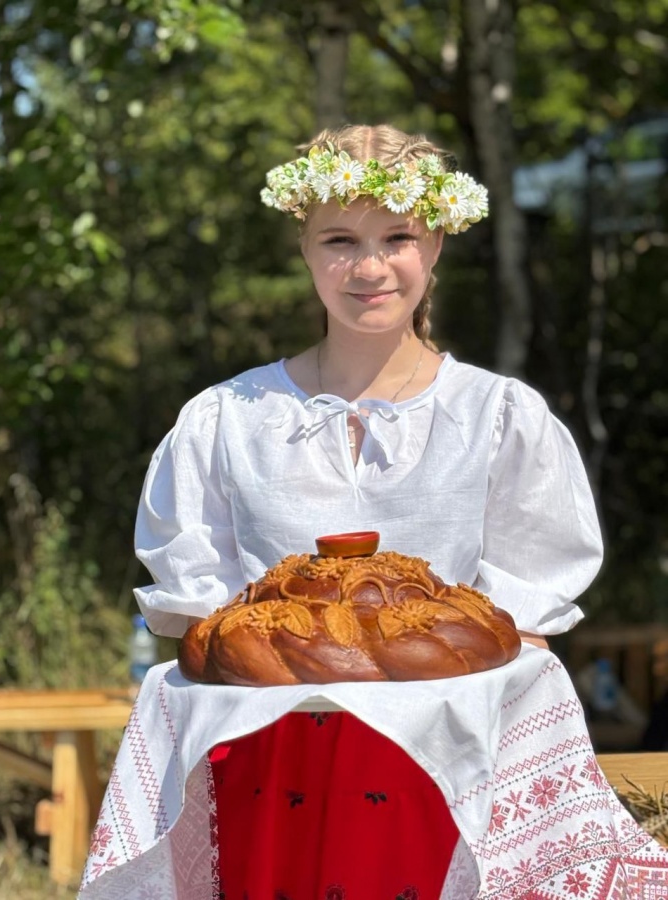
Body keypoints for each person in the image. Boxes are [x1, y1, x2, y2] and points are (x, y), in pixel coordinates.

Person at [133, 124, 604, 899]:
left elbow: (522, 617)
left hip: (443, 763)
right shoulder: (226, 419)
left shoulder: (496, 416)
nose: (370, 267)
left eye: (398, 237)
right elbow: (199, 617)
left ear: (438, 242)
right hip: (266, 762)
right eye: (339, 239)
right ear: (304, 248)